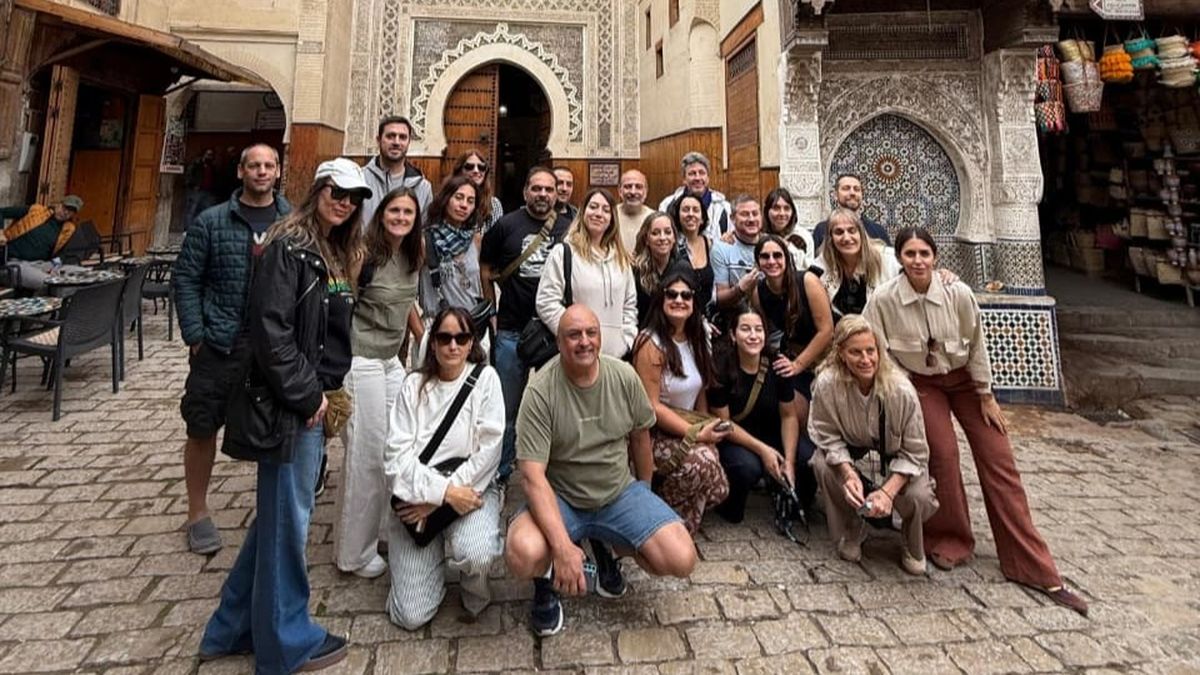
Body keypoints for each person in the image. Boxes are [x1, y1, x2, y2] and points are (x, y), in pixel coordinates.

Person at [199, 157, 368, 672]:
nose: (345, 203)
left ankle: (230, 628)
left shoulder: (330, 249)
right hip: (292, 407)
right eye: (336, 192)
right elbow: (271, 332)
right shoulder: (288, 246)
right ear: (317, 190)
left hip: (311, 400)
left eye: (354, 197)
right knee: (288, 525)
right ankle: (285, 644)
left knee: (276, 519)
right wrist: (307, 395)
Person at [865, 227, 1089, 616]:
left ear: (935, 257)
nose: (917, 261)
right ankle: (950, 539)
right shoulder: (884, 299)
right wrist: (904, 390)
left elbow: (977, 345)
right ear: (899, 258)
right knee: (943, 455)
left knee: (999, 459)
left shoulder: (959, 293)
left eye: (924, 253)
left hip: (967, 383)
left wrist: (986, 395)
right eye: (910, 254)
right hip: (922, 383)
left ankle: (1031, 564)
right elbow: (878, 351)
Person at [505, 304, 697, 636]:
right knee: (522, 553)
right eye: (573, 335)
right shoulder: (540, 391)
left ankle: (606, 546)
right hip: (562, 497)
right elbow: (533, 476)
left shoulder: (623, 376)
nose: (584, 341)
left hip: (617, 492)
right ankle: (547, 578)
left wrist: (645, 492)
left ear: (600, 337)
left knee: (680, 558)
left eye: (590, 333)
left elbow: (640, 436)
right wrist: (562, 548)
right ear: (559, 342)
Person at [174, 144, 290, 554]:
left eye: (269, 165)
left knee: (273, 431)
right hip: (220, 344)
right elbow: (186, 279)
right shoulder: (211, 222)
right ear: (241, 171)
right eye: (254, 165)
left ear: (278, 171)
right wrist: (196, 334)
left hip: (272, 346)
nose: (262, 171)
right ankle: (197, 512)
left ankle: (269, 515)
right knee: (202, 424)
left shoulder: (291, 222)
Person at [384, 307, 504, 630]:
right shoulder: (412, 387)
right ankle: (425, 569)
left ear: (471, 343)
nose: (453, 345)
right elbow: (396, 459)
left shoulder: (486, 381)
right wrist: (442, 494)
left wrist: (441, 498)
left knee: (476, 552)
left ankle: (474, 590)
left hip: (470, 489)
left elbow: (488, 453)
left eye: (461, 338)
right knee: (411, 616)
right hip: (417, 500)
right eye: (444, 337)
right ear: (433, 343)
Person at [333, 187, 424, 578]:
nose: (401, 218)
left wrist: (424, 340)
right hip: (360, 358)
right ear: (382, 214)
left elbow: (408, 304)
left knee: (396, 446)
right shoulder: (362, 254)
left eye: (408, 212)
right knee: (366, 454)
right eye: (394, 211)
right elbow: (341, 306)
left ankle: (383, 530)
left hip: (391, 360)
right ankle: (353, 553)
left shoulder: (413, 254)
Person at [808, 314, 939, 575]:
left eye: (871, 351)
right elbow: (825, 434)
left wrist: (888, 492)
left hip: (896, 455)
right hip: (853, 449)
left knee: (919, 495)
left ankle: (910, 538)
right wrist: (848, 474)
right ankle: (853, 525)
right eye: (855, 352)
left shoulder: (901, 390)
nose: (865, 359)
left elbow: (915, 451)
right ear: (841, 353)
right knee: (821, 463)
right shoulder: (827, 384)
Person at [479, 167, 573, 483]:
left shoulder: (569, 228)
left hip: (553, 332)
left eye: (549, 189)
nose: (543, 194)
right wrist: (491, 308)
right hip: (511, 330)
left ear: (557, 194)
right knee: (506, 409)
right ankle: (501, 472)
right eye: (536, 188)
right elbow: (486, 266)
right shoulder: (506, 226)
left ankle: (554, 473)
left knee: (558, 407)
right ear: (525, 192)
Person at [632, 268, 730, 532]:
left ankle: (679, 522)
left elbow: (700, 391)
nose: (679, 300)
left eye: (686, 295)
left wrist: (705, 428)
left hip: (686, 426)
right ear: (661, 300)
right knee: (703, 464)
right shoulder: (650, 342)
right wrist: (696, 435)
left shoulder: (696, 337)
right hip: (655, 434)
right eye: (671, 294)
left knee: (720, 488)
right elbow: (651, 406)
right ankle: (661, 519)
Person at [707, 308, 815, 523]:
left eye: (758, 329)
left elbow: (788, 416)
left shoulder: (777, 365)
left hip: (772, 432)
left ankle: (793, 497)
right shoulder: (720, 367)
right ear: (733, 335)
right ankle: (728, 503)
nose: (753, 336)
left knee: (807, 459)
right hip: (736, 438)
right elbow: (724, 423)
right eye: (745, 329)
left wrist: (789, 461)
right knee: (747, 467)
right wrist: (763, 450)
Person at [536, 188, 637, 358]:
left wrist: (627, 340)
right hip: (577, 354)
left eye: (606, 210)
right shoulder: (563, 253)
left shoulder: (621, 258)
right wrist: (573, 336)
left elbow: (629, 304)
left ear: (612, 218)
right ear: (583, 212)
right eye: (593, 207)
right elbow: (546, 302)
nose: (598, 214)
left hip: (615, 356)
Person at [749, 235, 834, 420]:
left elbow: (826, 330)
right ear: (757, 262)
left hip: (826, 358)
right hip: (792, 355)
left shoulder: (807, 281)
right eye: (765, 256)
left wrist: (798, 365)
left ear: (786, 259)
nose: (772, 261)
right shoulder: (758, 293)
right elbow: (763, 332)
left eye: (777, 255)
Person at [419, 176, 485, 354]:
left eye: (470, 201)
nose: (464, 205)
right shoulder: (426, 240)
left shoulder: (475, 239)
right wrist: (420, 335)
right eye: (458, 197)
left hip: (472, 324)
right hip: (438, 325)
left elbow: (479, 281)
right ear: (445, 199)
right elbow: (406, 292)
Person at [817, 207, 900, 321]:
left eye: (852, 231)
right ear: (830, 238)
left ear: (861, 233)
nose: (846, 238)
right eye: (839, 232)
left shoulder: (889, 259)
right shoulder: (823, 263)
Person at [0, 195, 85, 289]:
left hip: (41, 264)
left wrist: (56, 267)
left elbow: (61, 254)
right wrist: (1, 233)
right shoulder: (36, 211)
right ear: (58, 204)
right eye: (64, 208)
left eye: (71, 212)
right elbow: (1, 212)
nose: (65, 213)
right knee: (51, 282)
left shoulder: (68, 229)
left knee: (83, 274)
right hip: (15, 262)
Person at [361, 116, 433, 225]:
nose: (396, 142)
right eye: (390, 136)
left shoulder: (423, 187)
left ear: (409, 142)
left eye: (402, 137)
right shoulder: (360, 179)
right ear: (379, 140)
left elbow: (423, 229)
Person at [657, 151, 731, 239]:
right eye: (692, 173)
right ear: (684, 179)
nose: (697, 178)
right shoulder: (667, 205)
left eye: (702, 173)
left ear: (708, 178)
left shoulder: (724, 208)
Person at [712, 195, 765, 313]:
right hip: (734, 318)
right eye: (745, 214)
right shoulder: (721, 248)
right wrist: (740, 289)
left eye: (755, 213)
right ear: (732, 218)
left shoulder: (772, 246)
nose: (751, 219)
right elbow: (719, 298)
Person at [812, 173, 891, 250]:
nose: (852, 193)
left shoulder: (878, 231)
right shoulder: (822, 230)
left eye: (857, 189)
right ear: (835, 195)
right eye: (846, 188)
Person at [667, 193, 715, 313]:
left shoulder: (710, 244)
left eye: (696, 210)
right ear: (677, 216)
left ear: (702, 218)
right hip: (679, 312)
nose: (690, 214)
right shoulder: (670, 245)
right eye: (685, 210)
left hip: (707, 314)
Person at [631, 211, 676, 326]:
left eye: (667, 232)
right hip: (643, 331)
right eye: (655, 233)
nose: (662, 238)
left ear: (674, 238)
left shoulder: (682, 268)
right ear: (646, 239)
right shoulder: (635, 271)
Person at [763, 187, 814, 270]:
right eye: (776, 208)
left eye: (786, 208)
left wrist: (787, 245)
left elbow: (805, 267)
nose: (782, 213)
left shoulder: (802, 236)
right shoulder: (760, 235)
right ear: (767, 211)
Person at [452, 149, 503, 232]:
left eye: (481, 167)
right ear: (459, 170)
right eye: (469, 167)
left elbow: (495, 236)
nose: (476, 171)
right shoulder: (448, 198)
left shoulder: (493, 204)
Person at [616, 169, 654, 252]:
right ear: (620, 191)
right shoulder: (610, 215)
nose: (633, 192)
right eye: (628, 186)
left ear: (646, 191)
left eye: (638, 187)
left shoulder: (654, 218)